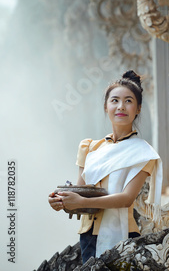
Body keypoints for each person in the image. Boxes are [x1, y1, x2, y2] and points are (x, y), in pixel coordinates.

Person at [48, 70, 162, 264]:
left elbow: (126, 199)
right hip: (88, 235)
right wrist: (62, 202)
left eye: (128, 101)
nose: (121, 107)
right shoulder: (90, 148)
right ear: (106, 106)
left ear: (138, 108)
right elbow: (81, 192)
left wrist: (81, 202)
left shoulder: (143, 152)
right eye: (115, 100)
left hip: (123, 235)